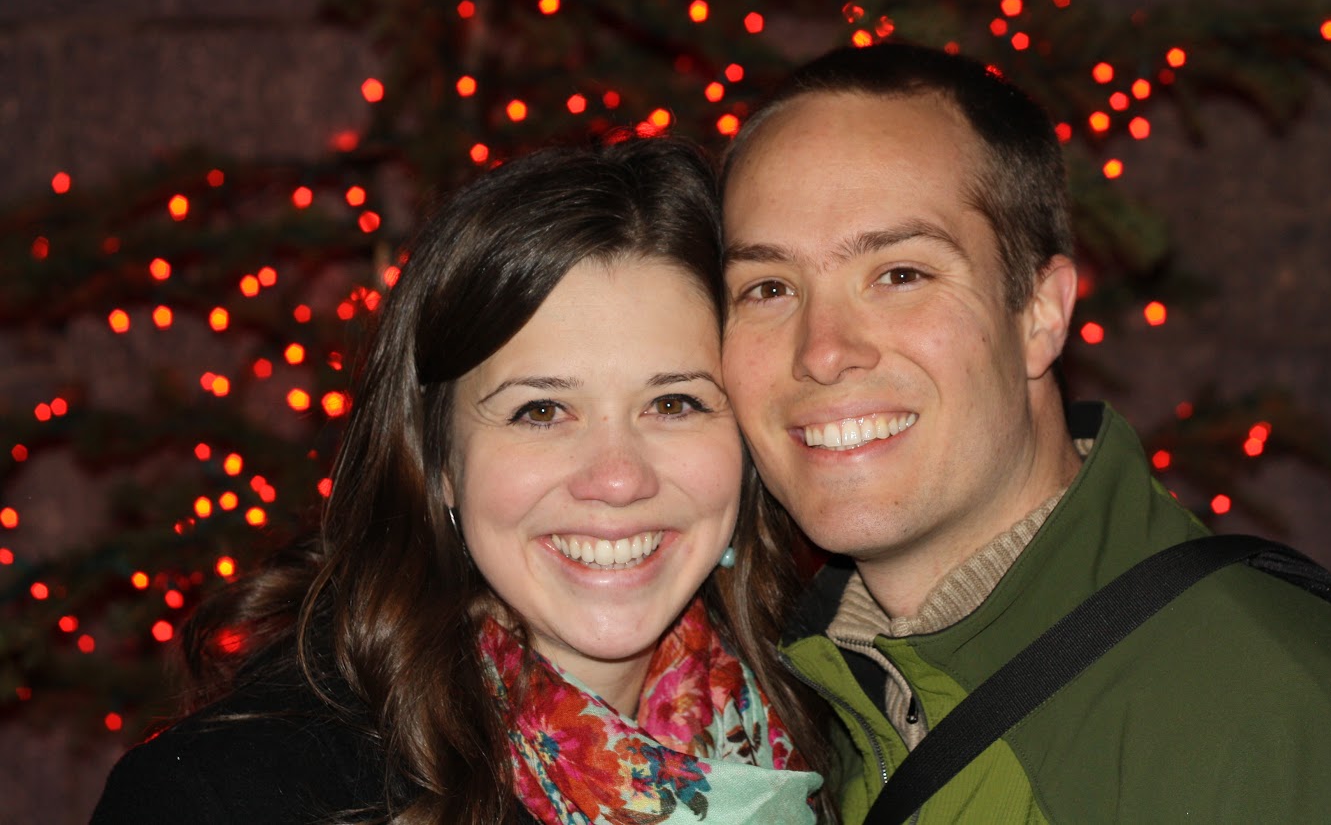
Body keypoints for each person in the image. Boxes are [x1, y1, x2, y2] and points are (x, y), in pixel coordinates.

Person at [718, 43, 1331, 823]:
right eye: (768, 286)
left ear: (1041, 313)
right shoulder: (787, 734)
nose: (822, 351)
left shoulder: (1279, 720)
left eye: (901, 274)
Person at [91, 140, 824, 825]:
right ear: (438, 460)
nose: (617, 478)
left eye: (673, 403)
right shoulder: (224, 795)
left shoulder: (831, 724)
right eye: (541, 411)